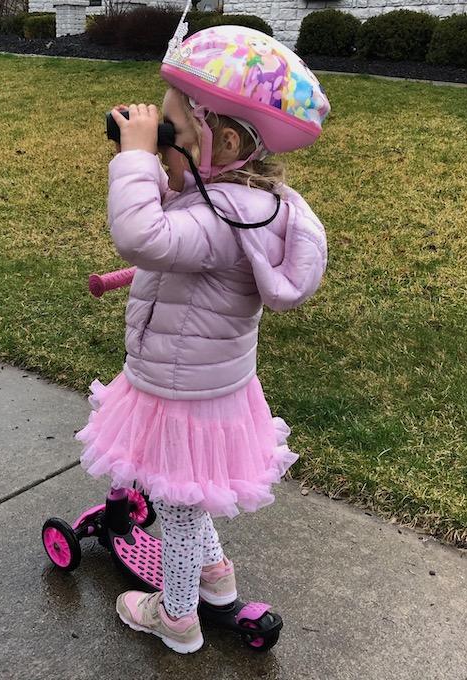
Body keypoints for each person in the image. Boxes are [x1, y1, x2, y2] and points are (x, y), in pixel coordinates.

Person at [76, 23, 331, 654]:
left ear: (223, 140)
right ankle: (216, 580)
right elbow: (184, 228)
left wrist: (132, 157)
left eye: (173, 136)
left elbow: (146, 237)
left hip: (180, 391)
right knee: (193, 496)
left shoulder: (219, 219)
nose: (162, 147)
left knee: (182, 508)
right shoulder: (243, 200)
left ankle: (177, 616)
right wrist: (161, 163)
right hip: (212, 385)